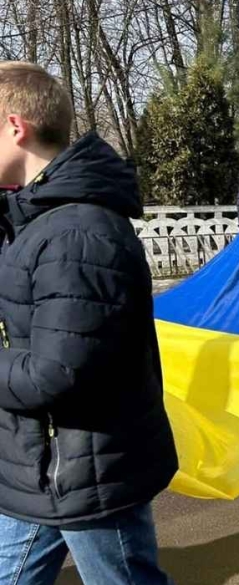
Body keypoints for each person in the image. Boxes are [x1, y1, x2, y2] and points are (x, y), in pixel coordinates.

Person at [0, 61, 177, 584]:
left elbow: (55, 373)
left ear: (15, 127)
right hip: (37, 467)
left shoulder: (78, 234)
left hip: (88, 470)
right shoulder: (30, 222)